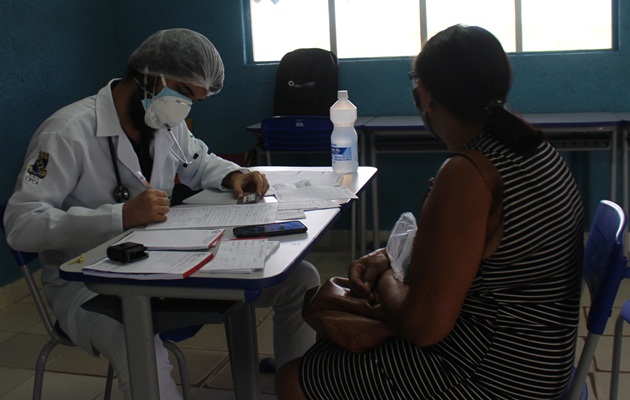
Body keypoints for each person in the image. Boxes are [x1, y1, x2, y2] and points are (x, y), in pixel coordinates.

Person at [4, 28, 318, 399]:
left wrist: (236, 174)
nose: (184, 106)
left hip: (165, 264)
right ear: (148, 73)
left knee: (300, 279)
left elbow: (199, 162)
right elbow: (21, 225)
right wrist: (118, 216)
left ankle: (296, 387)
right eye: (183, 92)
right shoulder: (66, 133)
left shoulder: (163, 122)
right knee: (139, 348)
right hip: (89, 284)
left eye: (194, 100)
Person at [275, 24, 584, 400]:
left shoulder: (469, 174)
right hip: (541, 359)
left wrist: (387, 274)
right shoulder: (531, 148)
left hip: (494, 377)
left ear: (423, 93)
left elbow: (423, 328)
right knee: (331, 350)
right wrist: (391, 256)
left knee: (294, 379)